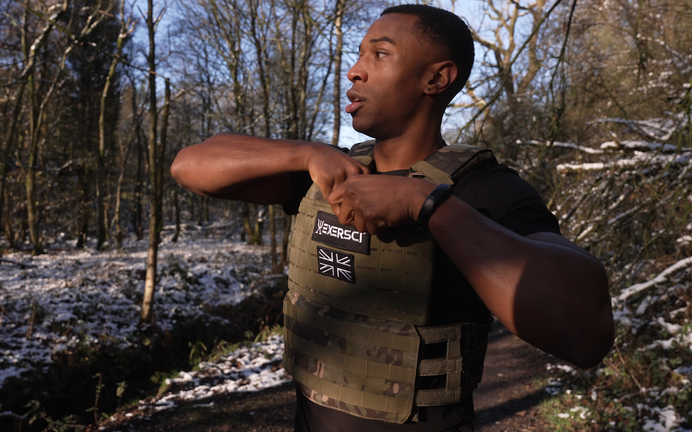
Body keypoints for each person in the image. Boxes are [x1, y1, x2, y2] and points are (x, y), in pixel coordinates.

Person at [171, 5, 614, 431]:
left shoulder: (484, 190)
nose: (355, 70)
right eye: (359, 54)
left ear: (436, 78)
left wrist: (427, 204)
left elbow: (585, 332)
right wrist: (305, 153)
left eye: (379, 54)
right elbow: (191, 167)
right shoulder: (332, 171)